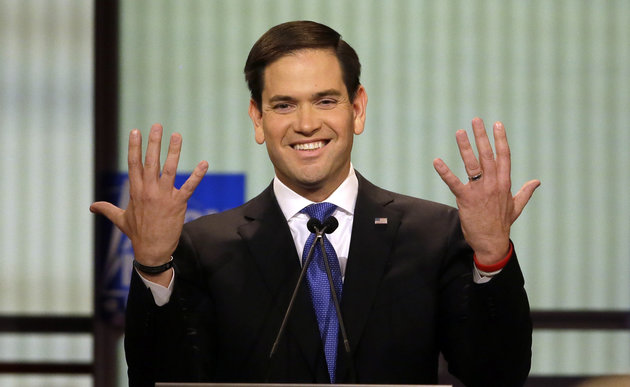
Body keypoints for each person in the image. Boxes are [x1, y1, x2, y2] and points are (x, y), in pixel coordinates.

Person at [90, 20, 540, 386]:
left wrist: (491, 258)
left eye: (325, 101)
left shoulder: (432, 234)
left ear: (357, 108)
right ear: (258, 118)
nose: (307, 124)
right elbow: (162, 380)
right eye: (284, 105)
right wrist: (152, 265)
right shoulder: (205, 246)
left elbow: (496, 376)